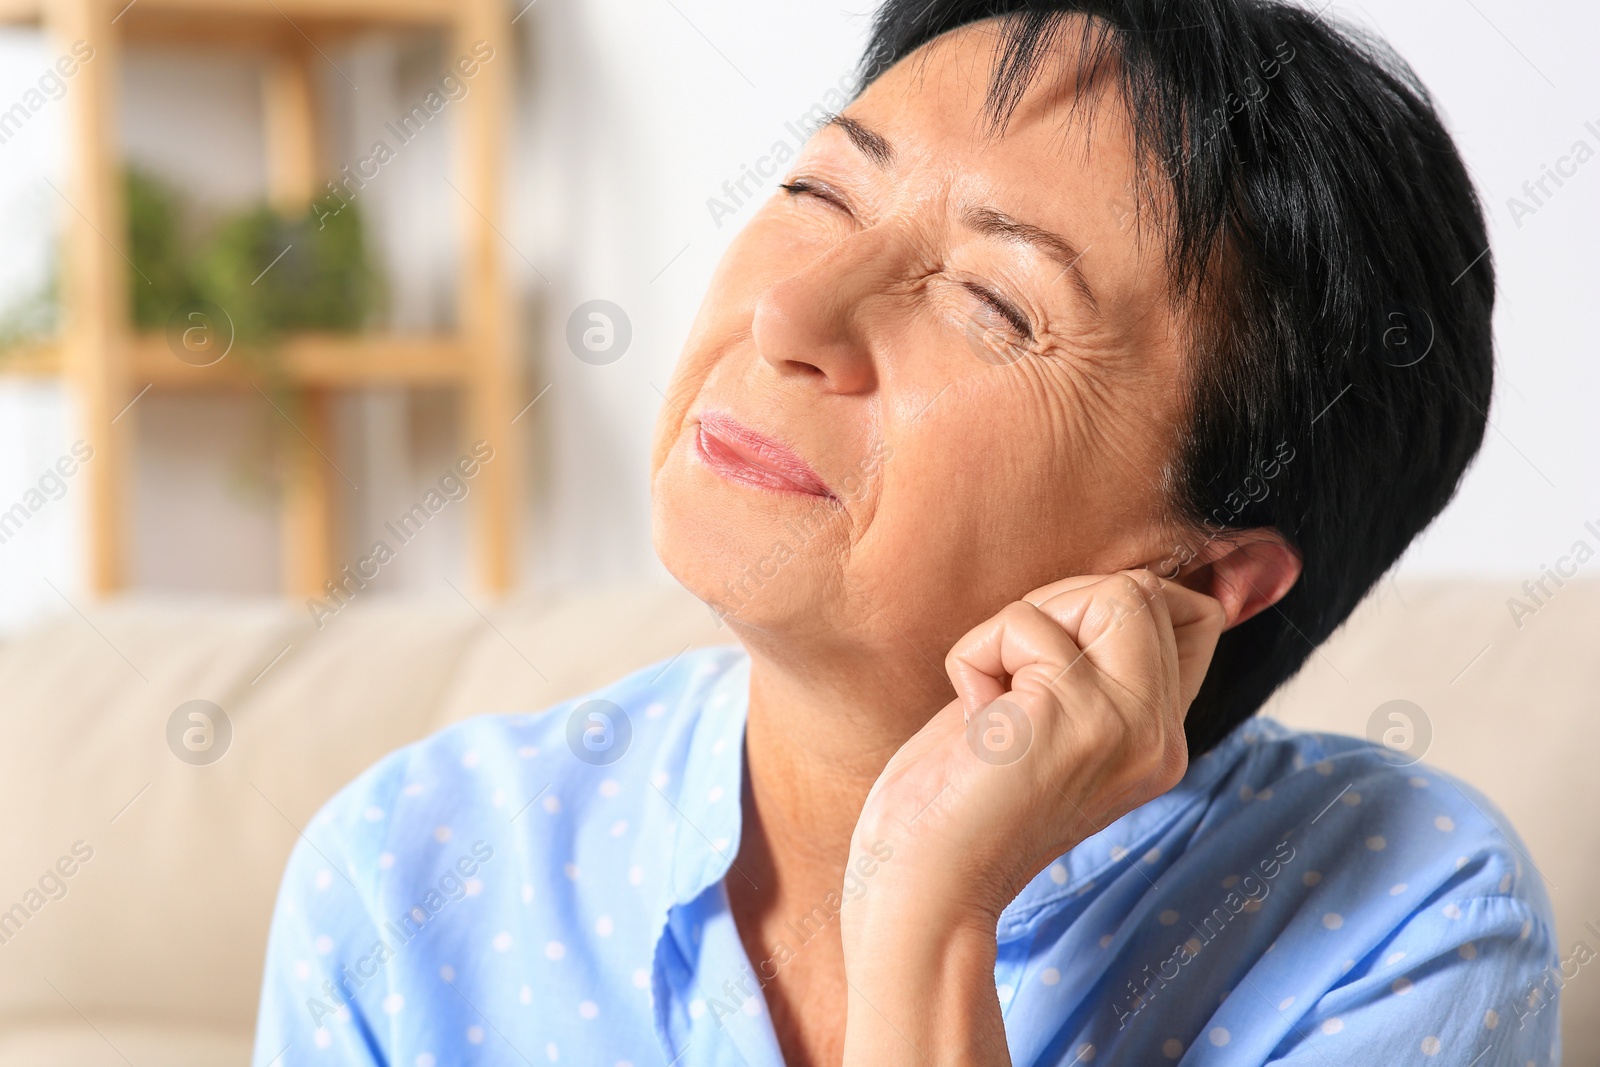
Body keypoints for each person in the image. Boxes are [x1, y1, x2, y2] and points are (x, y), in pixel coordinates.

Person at [252, 1, 1559, 1064]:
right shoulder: (414, 875)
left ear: (1206, 576)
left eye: (995, 300)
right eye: (822, 195)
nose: (793, 318)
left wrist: (928, 917)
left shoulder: (1401, 918)